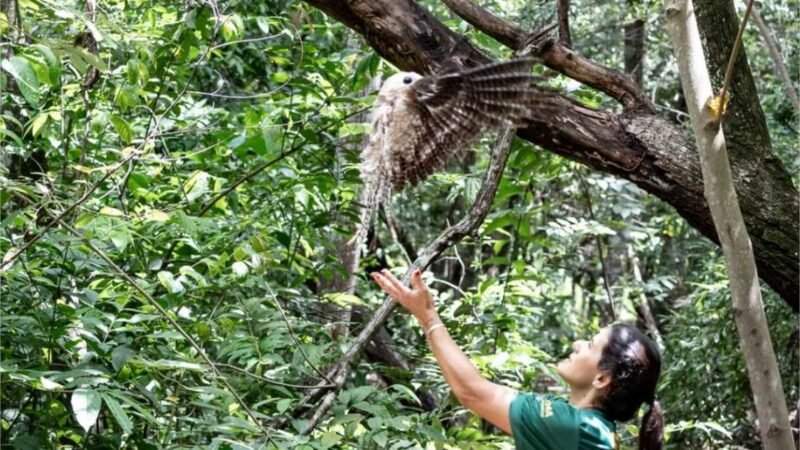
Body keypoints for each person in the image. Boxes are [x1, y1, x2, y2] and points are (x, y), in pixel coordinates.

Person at [370, 268, 664, 450]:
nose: (577, 344)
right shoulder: (581, 424)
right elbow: (483, 392)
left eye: (590, 344)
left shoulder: (574, 427)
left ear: (602, 378)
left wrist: (428, 316)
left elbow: (473, 391)